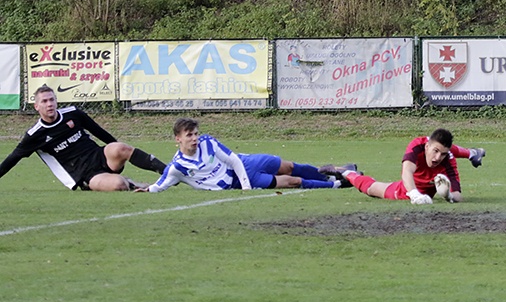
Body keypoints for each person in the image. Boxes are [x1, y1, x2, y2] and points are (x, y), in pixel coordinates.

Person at [0, 84, 167, 191]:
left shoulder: (73, 114)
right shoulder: (34, 135)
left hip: (100, 157)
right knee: (118, 185)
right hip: (84, 175)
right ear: (36, 106)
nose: (49, 104)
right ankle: (134, 185)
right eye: (44, 101)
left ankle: (169, 173)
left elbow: (100, 133)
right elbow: (12, 159)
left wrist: (118, 151)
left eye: (52, 100)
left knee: (120, 147)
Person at [138, 117, 357, 193]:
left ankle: (335, 172)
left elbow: (233, 159)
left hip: (244, 164)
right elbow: (161, 185)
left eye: (195, 133)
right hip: (236, 181)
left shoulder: (208, 142)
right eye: (189, 135)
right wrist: (146, 189)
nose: (194, 138)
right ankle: (339, 184)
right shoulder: (178, 167)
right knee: (292, 181)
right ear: (178, 139)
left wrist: (245, 187)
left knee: (288, 166)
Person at [328, 128, 484, 205]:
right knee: (370, 189)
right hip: (406, 189)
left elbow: (458, 195)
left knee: (446, 150)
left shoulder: (448, 159)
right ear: (427, 145)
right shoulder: (417, 145)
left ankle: (472, 153)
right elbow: (407, 171)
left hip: (422, 189)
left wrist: (448, 195)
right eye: (435, 151)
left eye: (443, 154)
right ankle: (348, 172)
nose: (438, 158)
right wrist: (414, 194)